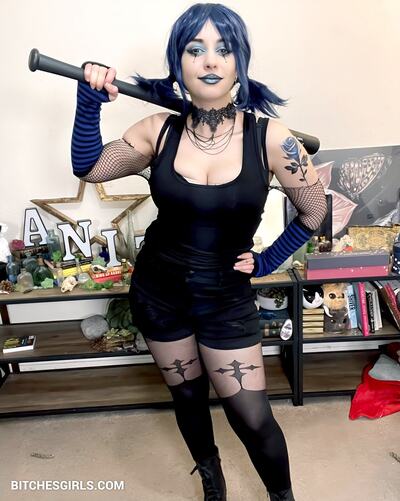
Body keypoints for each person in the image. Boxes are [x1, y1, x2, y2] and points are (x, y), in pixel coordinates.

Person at [70, 3, 327, 500]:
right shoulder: (158, 130)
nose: (210, 60)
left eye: (223, 49)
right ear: (179, 62)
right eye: (195, 49)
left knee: (252, 416)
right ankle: (212, 479)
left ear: (239, 62)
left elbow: (315, 212)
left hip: (225, 297)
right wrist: (89, 102)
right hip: (158, 291)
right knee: (187, 397)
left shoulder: (272, 139)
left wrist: (268, 260)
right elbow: (90, 167)